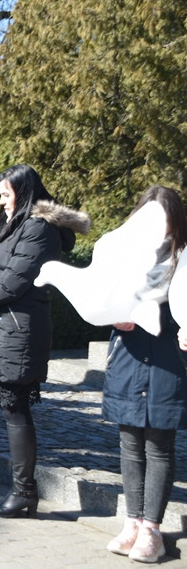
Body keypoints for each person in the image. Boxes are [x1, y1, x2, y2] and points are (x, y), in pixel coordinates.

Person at [0, 164, 89, 518]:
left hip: (19, 329)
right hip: (4, 327)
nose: (2, 201)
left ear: (24, 192)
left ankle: (24, 493)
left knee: (15, 409)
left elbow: (16, 280)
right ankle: (21, 492)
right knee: (10, 409)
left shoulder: (38, 227)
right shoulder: (17, 223)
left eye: (6, 195)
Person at [101, 187, 187, 562]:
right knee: (130, 443)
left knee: (158, 444)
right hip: (128, 357)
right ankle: (132, 523)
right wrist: (112, 314)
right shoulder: (125, 256)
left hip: (168, 359)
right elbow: (99, 299)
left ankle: (152, 529)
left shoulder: (183, 257)